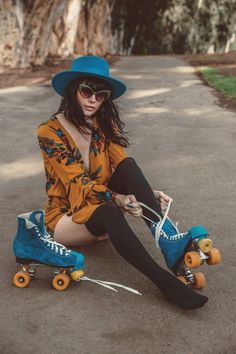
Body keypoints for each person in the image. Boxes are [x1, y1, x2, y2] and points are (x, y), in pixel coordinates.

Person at [37, 55, 208, 309]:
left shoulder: (103, 124)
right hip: (68, 218)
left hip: (104, 211)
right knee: (108, 210)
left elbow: (123, 165)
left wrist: (146, 192)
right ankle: (164, 282)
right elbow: (78, 183)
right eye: (86, 91)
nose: (93, 100)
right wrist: (117, 198)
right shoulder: (49, 132)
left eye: (101, 95)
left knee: (128, 166)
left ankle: (168, 241)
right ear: (73, 90)